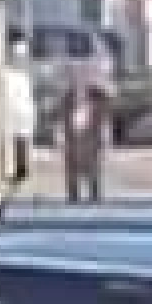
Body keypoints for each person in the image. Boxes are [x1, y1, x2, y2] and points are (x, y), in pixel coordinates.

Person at [57, 63, 110, 206]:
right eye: (76, 78)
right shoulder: (67, 99)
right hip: (73, 139)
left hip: (91, 139)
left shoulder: (98, 99)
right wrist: (60, 138)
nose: (80, 80)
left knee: (93, 171)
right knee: (72, 171)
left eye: (84, 76)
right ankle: (73, 198)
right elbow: (62, 121)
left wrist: (105, 138)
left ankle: (95, 197)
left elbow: (104, 121)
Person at [3, 37, 36, 194]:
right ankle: (15, 170)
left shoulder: (22, 76)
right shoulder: (9, 75)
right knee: (14, 141)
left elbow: (27, 97)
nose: (20, 60)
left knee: (22, 141)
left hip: (22, 112)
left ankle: (22, 170)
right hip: (14, 112)